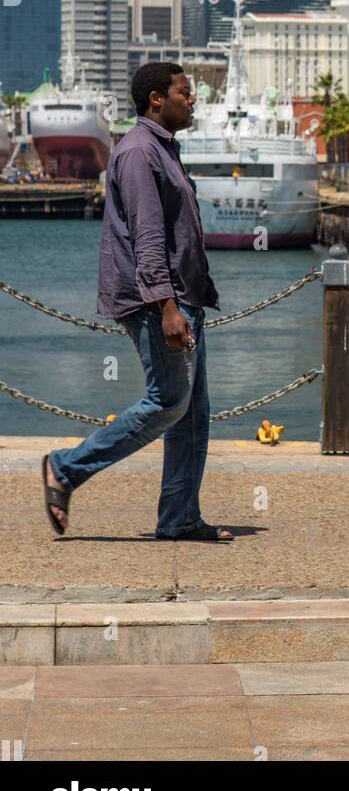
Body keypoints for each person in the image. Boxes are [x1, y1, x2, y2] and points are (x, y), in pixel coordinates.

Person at [42, 62, 234, 542]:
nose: (192, 100)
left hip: (184, 297)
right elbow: (148, 237)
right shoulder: (139, 153)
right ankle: (65, 469)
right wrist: (167, 307)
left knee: (192, 412)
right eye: (184, 93)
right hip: (159, 300)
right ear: (156, 98)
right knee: (168, 401)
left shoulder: (163, 149)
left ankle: (180, 518)